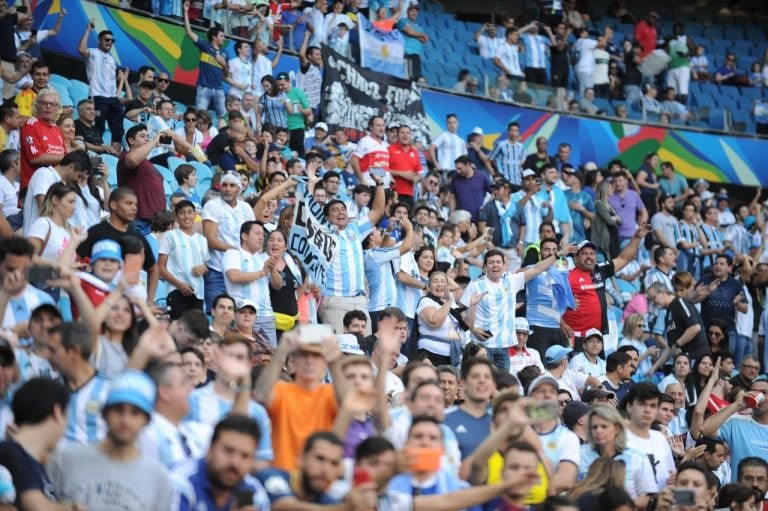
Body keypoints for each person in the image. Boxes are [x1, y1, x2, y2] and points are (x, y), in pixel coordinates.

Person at [51, 369, 174, 510]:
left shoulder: (158, 479)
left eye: (135, 413)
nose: (125, 420)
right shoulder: (66, 459)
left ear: (146, 421)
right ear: (104, 414)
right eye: (118, 410)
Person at [254, 329, 348, 471]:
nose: (310, 360)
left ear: (325, 363)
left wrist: (334, 363)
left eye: (316, 356)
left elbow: (349, 405)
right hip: (283, 476)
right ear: (293, 361)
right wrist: (281, 351)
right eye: (304, 355)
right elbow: (261, 394)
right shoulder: (281, 390)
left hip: (318, 477)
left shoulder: (330, 393)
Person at [461, 247, 568, 371]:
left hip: (503, 347)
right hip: (482, 346)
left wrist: (557, 255)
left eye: (498, 262)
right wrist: (472, 328)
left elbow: (536, 269)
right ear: (485, 267)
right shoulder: (475, 285)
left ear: (504, 265)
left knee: (502, 386)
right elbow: (460, 310)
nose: (495, 265)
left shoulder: (511, 281)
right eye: (491, 262)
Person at [320, 169, 385, 335]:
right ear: (326, 217)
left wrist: (379, 183)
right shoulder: (321, 234)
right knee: (339, 351)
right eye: (335, 210)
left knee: (365, 348)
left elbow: (377, 210)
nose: (341, 212)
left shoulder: (355, 229)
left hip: (360, 300)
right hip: (334, 300)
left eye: (343, 209)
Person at [563, 227, 650, 351]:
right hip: (576, 335)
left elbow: (624, 259)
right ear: (575, 258)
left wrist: (637, 238)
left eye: (592, 253)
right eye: (584, 253)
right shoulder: (567, 276)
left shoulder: (600, 270)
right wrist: (562, 324)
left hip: (598, 336)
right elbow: (555, 304)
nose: (589, 257)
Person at [76, 187, 159, 304]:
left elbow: (153, 269)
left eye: (136, 204)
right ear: (113, 205)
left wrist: (150, 300)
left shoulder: (137, 236)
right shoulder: (96, 232)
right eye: (129, 203)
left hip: (130, 303)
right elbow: (77, 263)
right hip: (100, 301)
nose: (134, 208)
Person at [172, 414, 270, 510]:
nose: (235, 463)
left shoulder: (255, 494)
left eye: (245, 456)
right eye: (228, 451)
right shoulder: (182, 481)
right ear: (210, 447)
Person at [578, 405, 656, 510]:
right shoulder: (579, 455)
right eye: (594, 427)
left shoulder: (637, 457)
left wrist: (618, 506)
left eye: (604, 426)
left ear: (617, 428)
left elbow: (648, 497)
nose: (599, 431)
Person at [201, 172, 255, 312]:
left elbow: (253, 236)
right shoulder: (212, 205)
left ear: (239, 189)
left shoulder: (246, 208)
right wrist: (236, 250)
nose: (227, 188)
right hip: (217, 270)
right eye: (224, 185)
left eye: (232, 185)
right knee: (217, 315)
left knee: (241, 315)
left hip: (241, 270)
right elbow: (211, 239)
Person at [223, 221, 281, 347]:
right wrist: (262, 272)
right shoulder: (233, 253)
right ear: (244, 236)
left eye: (262, 235)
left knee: (271, 359)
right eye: (257, 233)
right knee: (246, 355)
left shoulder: (263, 258)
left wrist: (272, 269)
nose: (261, 237)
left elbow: (277, 285)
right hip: (244, 314)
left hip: (267, 315)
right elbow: (233, 276)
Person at [698, 375, 768, 479]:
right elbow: (705, 429)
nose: (758, 396)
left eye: (764, 392)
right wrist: (738, 404)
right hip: (739, 493)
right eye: (754, 391)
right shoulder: (736, 422)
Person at [77, 23, 125, 153]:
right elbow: (81, 50)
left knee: (118, 130)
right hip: (98, 98)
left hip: (113, 99)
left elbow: (109, 81)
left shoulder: (112, 60)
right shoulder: (93, 52)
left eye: (112, 40)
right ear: (100, 40)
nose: (110, 42)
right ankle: (95, 153)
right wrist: (88, 30)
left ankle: (115, 158)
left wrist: (120, 81)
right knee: (98, 126)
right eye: (107, 39)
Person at [621, 382, 676, 492]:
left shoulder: (660, 439)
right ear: (629, 406)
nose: (647, 410)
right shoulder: (619, 441)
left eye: (653, 405)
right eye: (641, 404)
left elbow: (672, 476)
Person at [158, 199, 208, 319]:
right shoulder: (169, 236)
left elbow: (206, 268)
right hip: (176, 290)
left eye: (190, 212)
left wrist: (204, 269)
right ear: (176, 216)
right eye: (182, 213)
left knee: (196, 332)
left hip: (198, 293)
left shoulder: (202, 240)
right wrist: (179, 285)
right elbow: (160, 267)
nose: (187, 216)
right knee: (177, 329)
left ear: (195, 215)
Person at [183, 1, 229, 116]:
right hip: (204, 87)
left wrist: (224, 65)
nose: (224, 38)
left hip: (219, 89)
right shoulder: (205, 46)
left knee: (224, 116)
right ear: (214, 37)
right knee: (201, 115)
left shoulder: (225, 53)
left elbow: (227, 75)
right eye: (222, 36)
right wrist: (185, 12)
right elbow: (189, 32)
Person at [646, 282, 710, 361]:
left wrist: (677, 344)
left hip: (697, 358)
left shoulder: (679, 302)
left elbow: (695, 327)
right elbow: (670, 348)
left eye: (653, 297)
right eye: (650, 300)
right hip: (684, 360)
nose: (653, 302)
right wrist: (652, 369)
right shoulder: (668, 312)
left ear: (662, 292)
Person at [19, 88, 66, 191]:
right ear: (37, 105)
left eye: (52, 104)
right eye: (44, 103)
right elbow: (35, 158)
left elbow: (65, 157)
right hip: (35, 188)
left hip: (56, 189)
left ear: (57, 108)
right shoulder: (30, 125)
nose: (48, 107)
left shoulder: (57, 130)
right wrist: (66, 158)